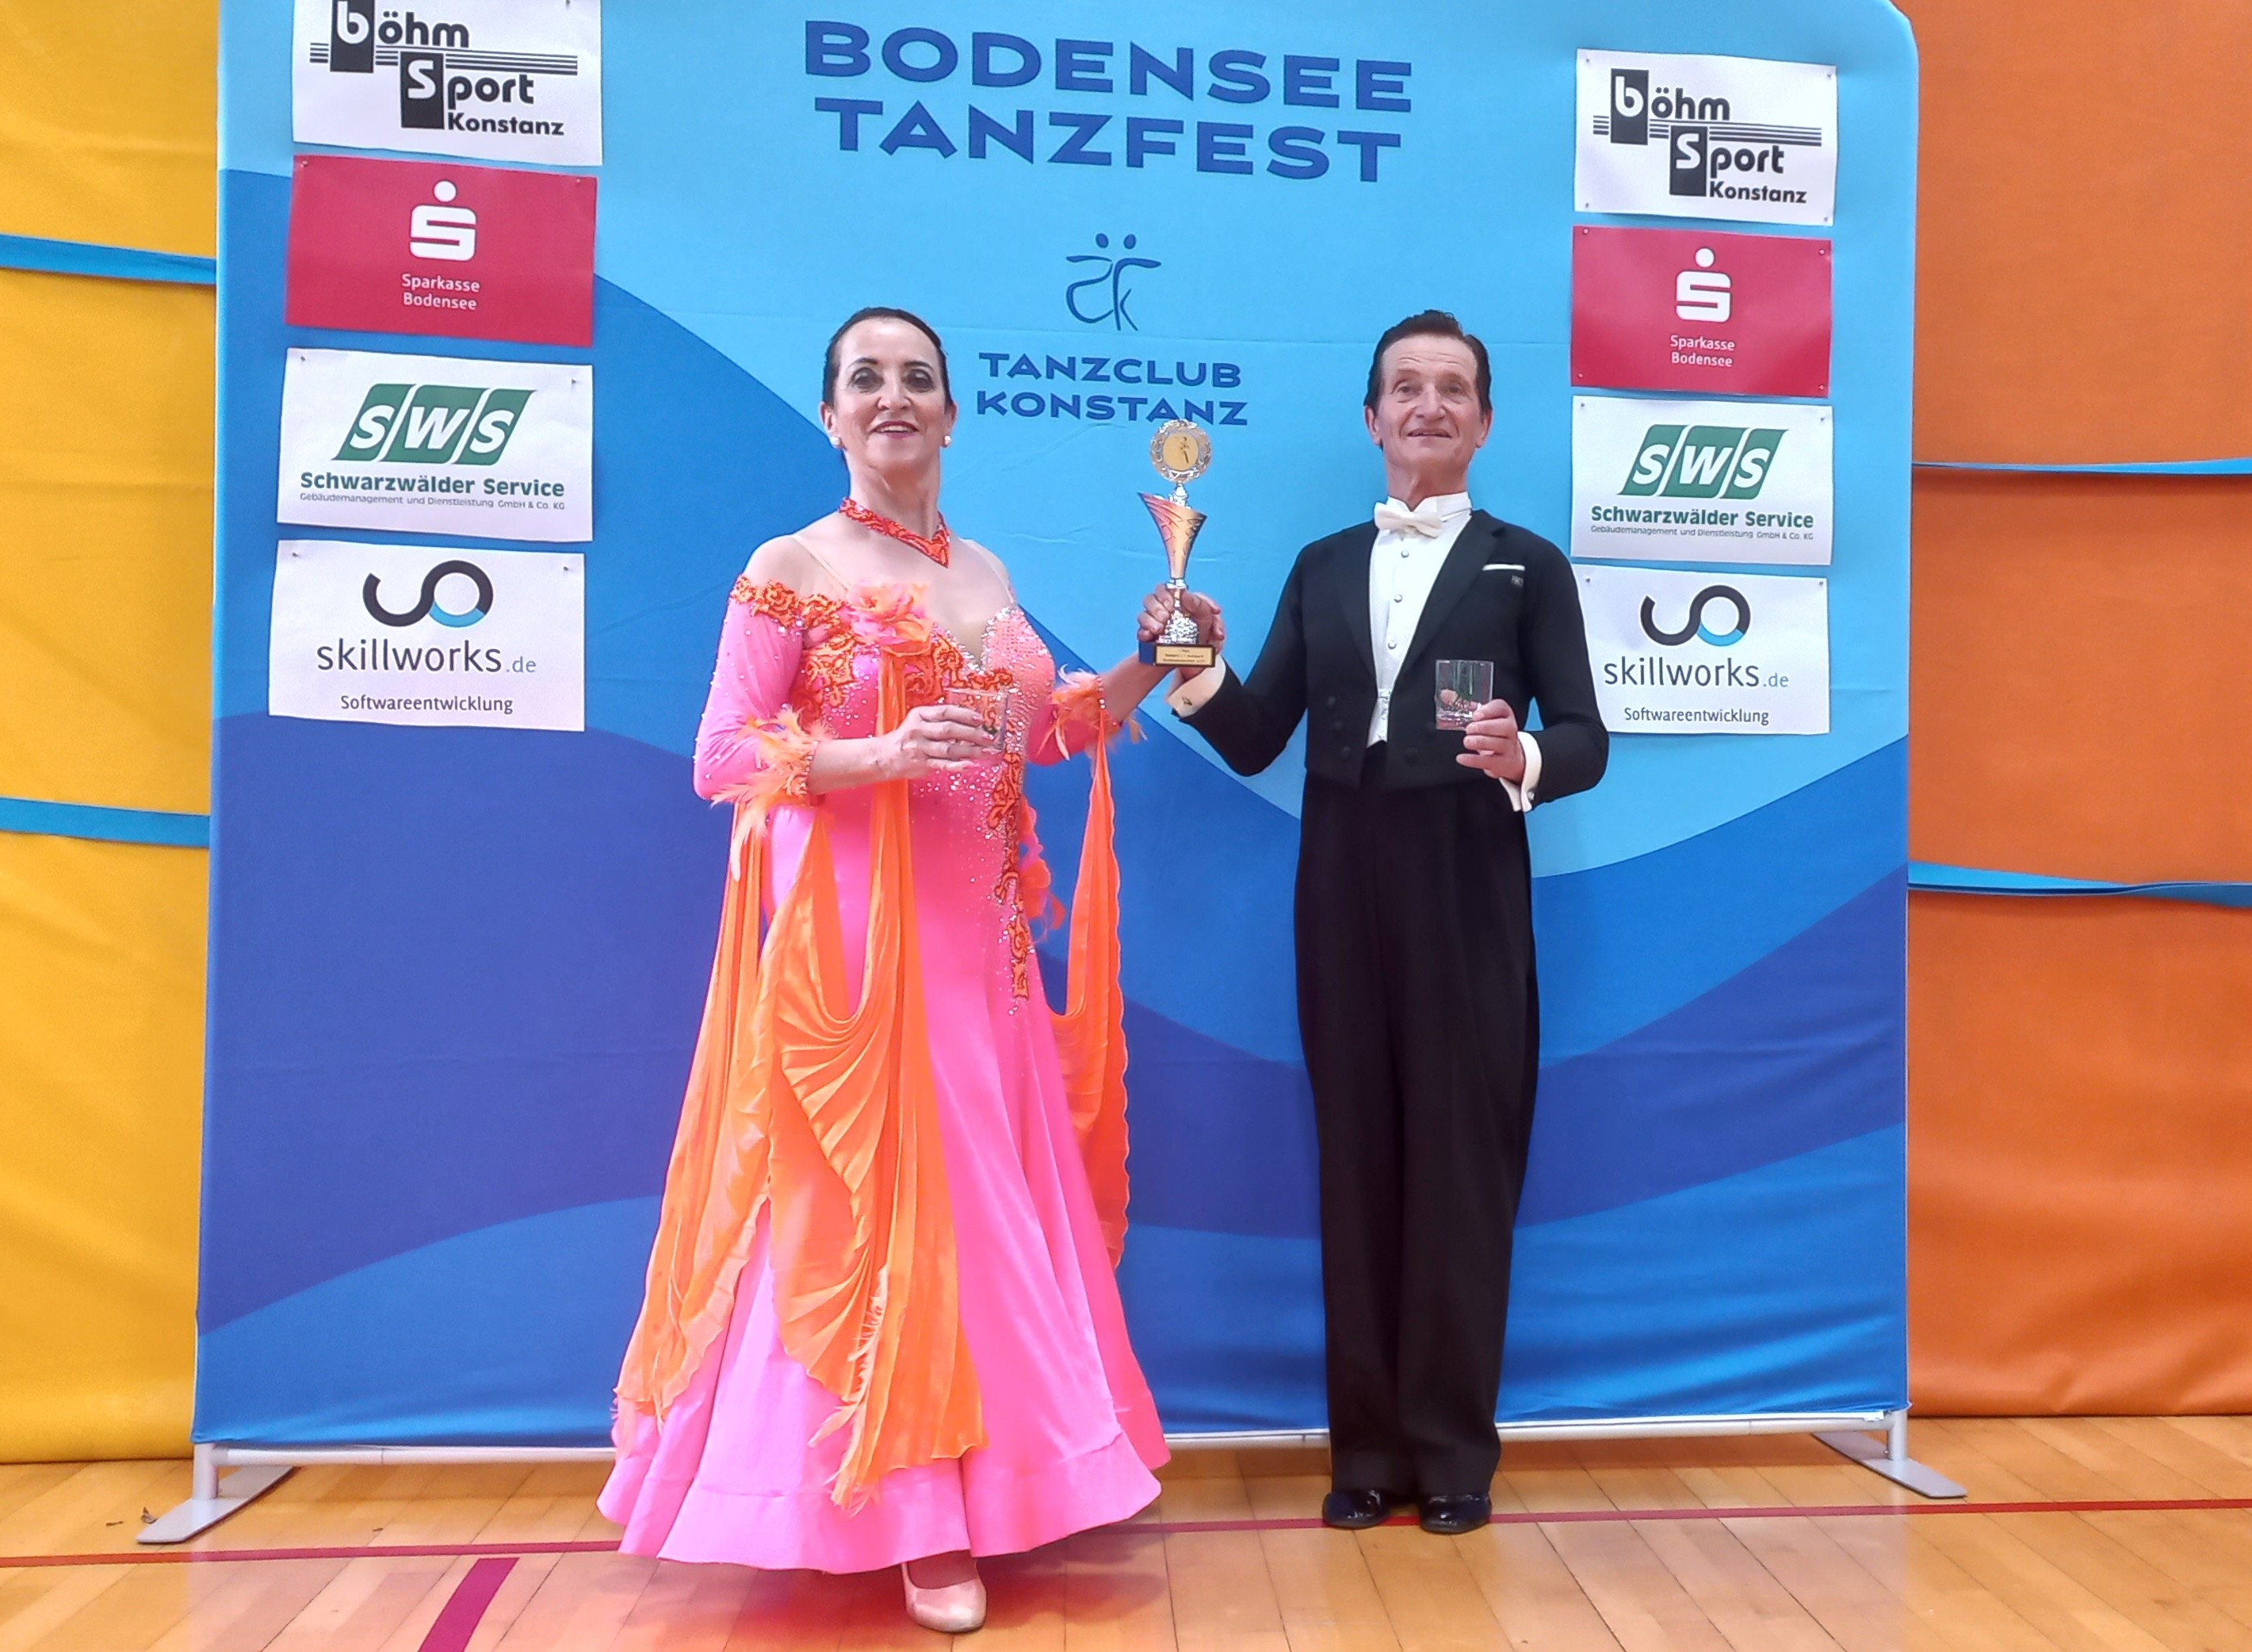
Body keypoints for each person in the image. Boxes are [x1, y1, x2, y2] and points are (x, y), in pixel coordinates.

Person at [603, 307, 1178, 1635]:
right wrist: (877, 756)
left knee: (982, 1219)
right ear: (832, 416)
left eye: (918, 377)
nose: (894, 396)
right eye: (866, 378)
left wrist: (1154, 657)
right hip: (856, 958)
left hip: (986, 958)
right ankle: (913, 1520)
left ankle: (1000, 1488)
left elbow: (1043, 731)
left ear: (952, 416)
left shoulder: (983, 569)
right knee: (877, 1216)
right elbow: (722, 755)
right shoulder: (791, 565)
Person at [1139, 310, 1607, 1536]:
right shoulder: (1321, 564)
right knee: (1357, 1161)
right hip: (1339, 879)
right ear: (1372, 418)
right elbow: (1258, 738)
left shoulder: (1527, 566)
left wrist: (1524, 755)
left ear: (1484, 422)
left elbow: (1589, 739)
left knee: (1459, 1165)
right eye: (1407, 387)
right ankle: (1368, 1455)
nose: (1428, 405)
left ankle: (1452, 1456)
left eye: (1453, 388)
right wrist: (1193, 662)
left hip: (1466, 878)